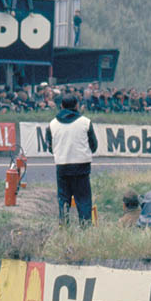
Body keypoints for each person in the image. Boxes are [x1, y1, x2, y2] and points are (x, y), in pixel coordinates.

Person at [44, 93, 97, 224]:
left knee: (63, 199)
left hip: (62, 165)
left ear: (61, 106)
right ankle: (85, 228)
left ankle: (64, 227)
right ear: (77, 105)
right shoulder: (86, 122)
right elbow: (94, 146)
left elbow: (50, 148)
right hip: (82, 166)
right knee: (83, 200)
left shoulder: (52, 124)